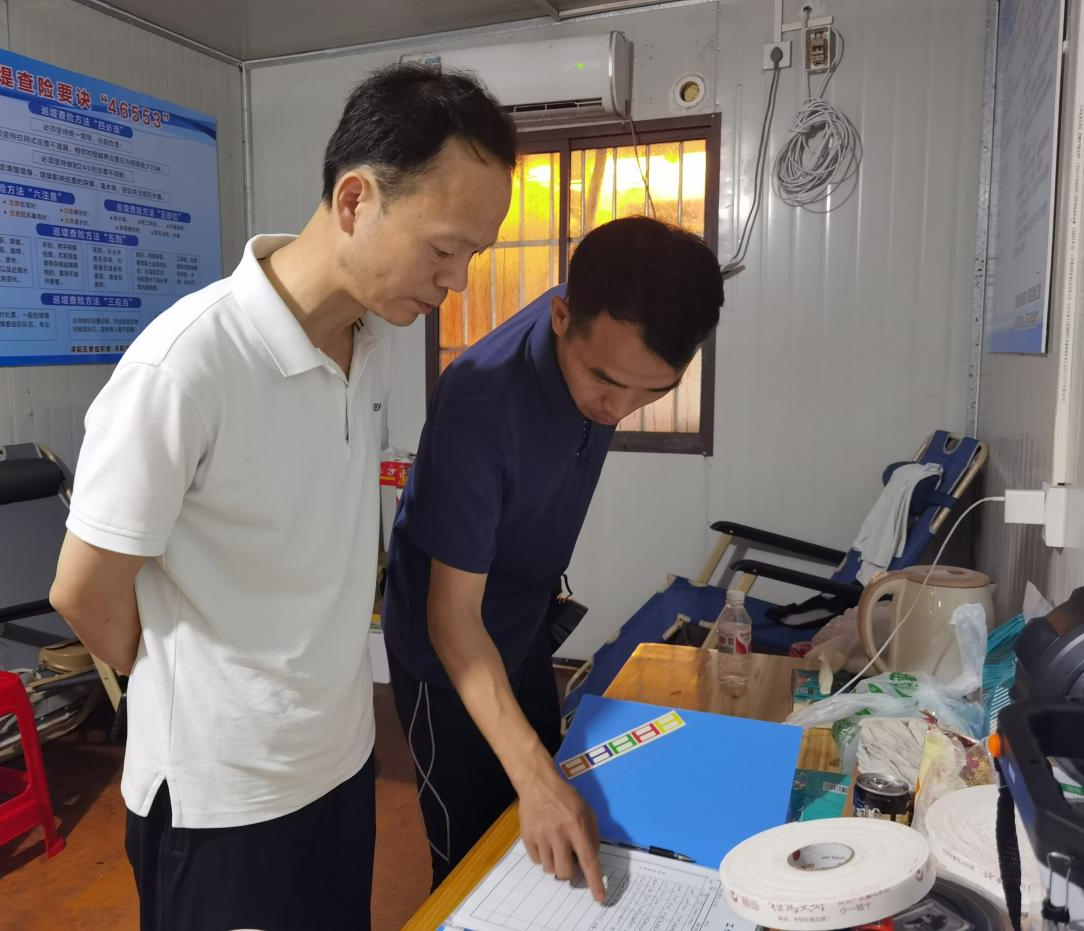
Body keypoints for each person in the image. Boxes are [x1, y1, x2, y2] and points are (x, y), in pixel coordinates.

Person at [48, 64, 515, 931]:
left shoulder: (370, 342)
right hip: (222, 801)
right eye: (443, 247)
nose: (455, 279)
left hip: (339, 764)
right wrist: (208, 688)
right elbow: (83, 589)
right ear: (355, 201)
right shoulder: (187, 363)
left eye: (473, 256)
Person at [382, 215, 724, 901]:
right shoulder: (480, 401)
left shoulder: (612, 330)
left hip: (524, 620)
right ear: (561, 317)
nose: (619, 408)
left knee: (547, 799)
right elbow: (452, 620)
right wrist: (533, 779)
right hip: (445, 649)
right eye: (605, 381)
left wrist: (537, 778)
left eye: (653, 391)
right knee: (472, 852)